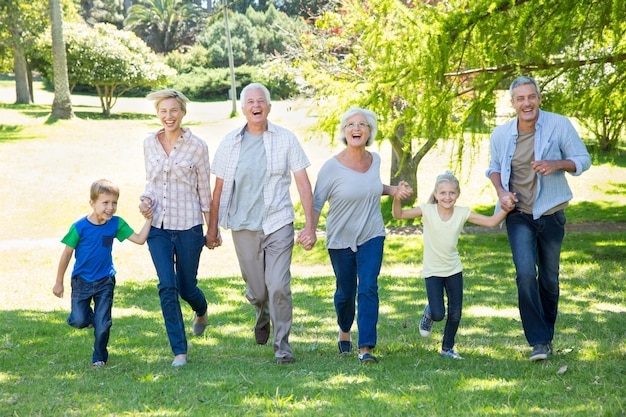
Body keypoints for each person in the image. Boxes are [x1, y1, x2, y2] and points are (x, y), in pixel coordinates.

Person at [206, 82, 316, 364]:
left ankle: (282, 348)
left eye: (261, 101)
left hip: (278, 222)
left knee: (278, 285)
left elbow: (303, 184)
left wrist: (310, 226)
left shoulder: (285, 138)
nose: (256, 106)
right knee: (258, 291)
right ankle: (262, 313)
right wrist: (212, 228)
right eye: (250, 102)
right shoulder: (230, 142)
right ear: (243, 109)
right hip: (244, 225)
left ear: (269, 106)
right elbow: (217, 191)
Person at [487, 75, 591, 362]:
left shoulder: (558, 124)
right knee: (524, 274)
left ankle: (547, 334)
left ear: (539, 98)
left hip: (551, 213)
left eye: (531, 97)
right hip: (519, 215)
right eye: (520, 99)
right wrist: (501, 192)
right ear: (513, 103)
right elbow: (494, 168)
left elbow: (583, 159)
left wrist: (556, 164)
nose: (526, 103)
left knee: (549, 278)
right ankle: (539, 341)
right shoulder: (501, 134)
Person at [310, 107, 410, 363]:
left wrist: (393, 190)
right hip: (340, 239)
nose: (357, 129)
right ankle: (344, 330)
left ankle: (365, 347)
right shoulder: (331, 168)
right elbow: (317, 202)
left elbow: (373, 187)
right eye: (351, 125)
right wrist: (310, 229)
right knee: (345, 293)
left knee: (367, 287)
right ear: (345, 132)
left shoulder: (375, 159)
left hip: (371, 234)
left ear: (370, 132)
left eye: (362, 125)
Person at [392, 172, 512, 360]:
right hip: (433, 271)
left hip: (454, 269)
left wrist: (505, 208)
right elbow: (398, 215)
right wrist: (397, 198)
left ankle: (447, 349)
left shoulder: (462, 213)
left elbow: (491, 221)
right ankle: (430, 311)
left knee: (455, 313)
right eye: (443, 193)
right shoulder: (427, 210)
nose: (447, 197)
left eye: (451, 193)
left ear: (457, 194)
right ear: (436, 194)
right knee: (439, 313)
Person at [139, 89, 212, 367]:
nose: (168, 116)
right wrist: (145, 202)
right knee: (167, 286)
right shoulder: (149, 143)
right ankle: (179, 351)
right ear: (158, 114)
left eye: (173, 111)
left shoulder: (198, 146)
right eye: (163, 111)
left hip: (189, 226)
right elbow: (151, 182)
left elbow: (204, 191)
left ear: (182, 113)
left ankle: (201, 309)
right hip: (157, 225)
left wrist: (212, 229)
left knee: (185, 286)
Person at [53, 179, 152, 367]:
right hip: (82, 280)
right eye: (105, 203)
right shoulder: (79, 227)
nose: (110, 207)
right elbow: (66, 255)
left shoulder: (116, 224)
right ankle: (92, 320)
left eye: (114, 203)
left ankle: (99, 357)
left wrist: (149, 219)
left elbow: (139, 239)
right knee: (78, 320)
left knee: (103, 324)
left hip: (105, 280)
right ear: (92, 203)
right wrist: (59, 282)